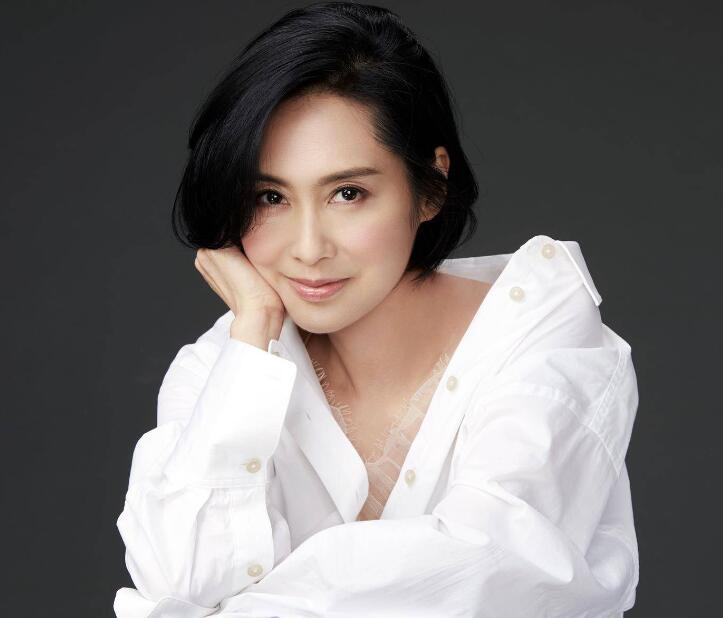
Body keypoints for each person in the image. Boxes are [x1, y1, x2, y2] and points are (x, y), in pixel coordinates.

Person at [114, 2, 640, 616]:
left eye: (347, 193)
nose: (308, 248)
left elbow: (487, 575)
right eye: (269, 197)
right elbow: (176, 579)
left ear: (430, 186)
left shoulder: (543, 340)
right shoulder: (225, 367)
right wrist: (253, 325)